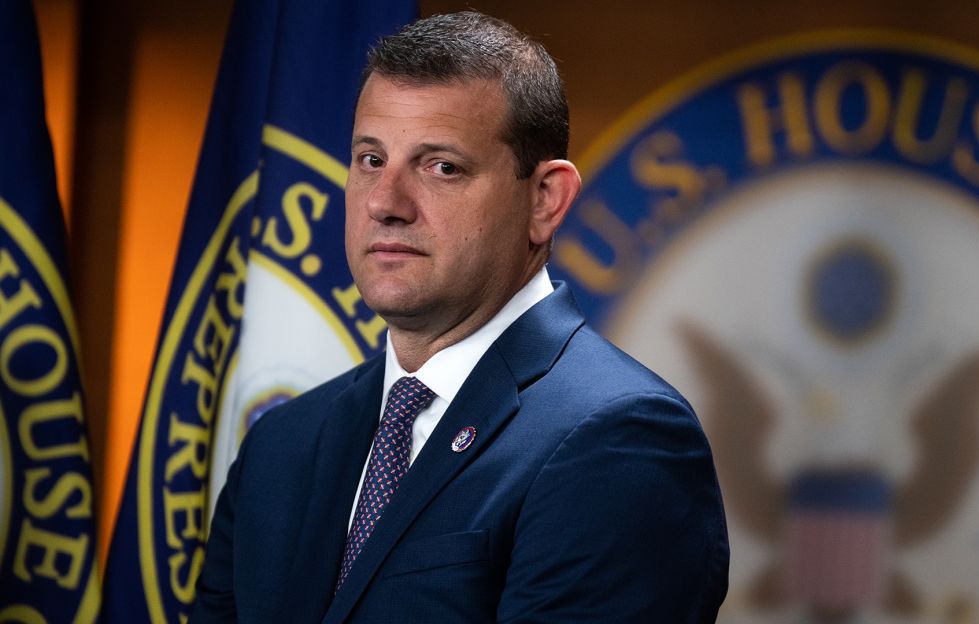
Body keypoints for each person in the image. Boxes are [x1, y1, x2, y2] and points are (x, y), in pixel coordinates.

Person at [193, 11, 729, 623]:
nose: (384, 204)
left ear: (544, 199)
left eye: (441, 166)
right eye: (371, 160)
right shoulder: (281, 445)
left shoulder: (619, 440)